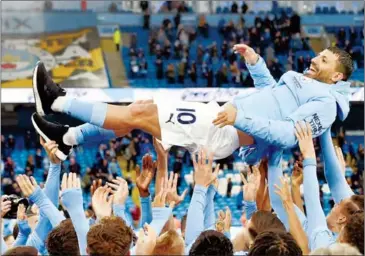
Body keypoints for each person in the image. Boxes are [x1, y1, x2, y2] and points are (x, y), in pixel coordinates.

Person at [31, 42, 352, 164]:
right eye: (318, 55)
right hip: (223, 119)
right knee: (137, 114)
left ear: (336, 76)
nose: (314, 59)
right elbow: (270, 95)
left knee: (139, 113)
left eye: (323, 60)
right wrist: (256, 64)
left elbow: (286, 135)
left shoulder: (325, 105)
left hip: (224, 130)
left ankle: (57, 102)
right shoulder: (304, 83)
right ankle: (67, 139)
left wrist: (239, 117)